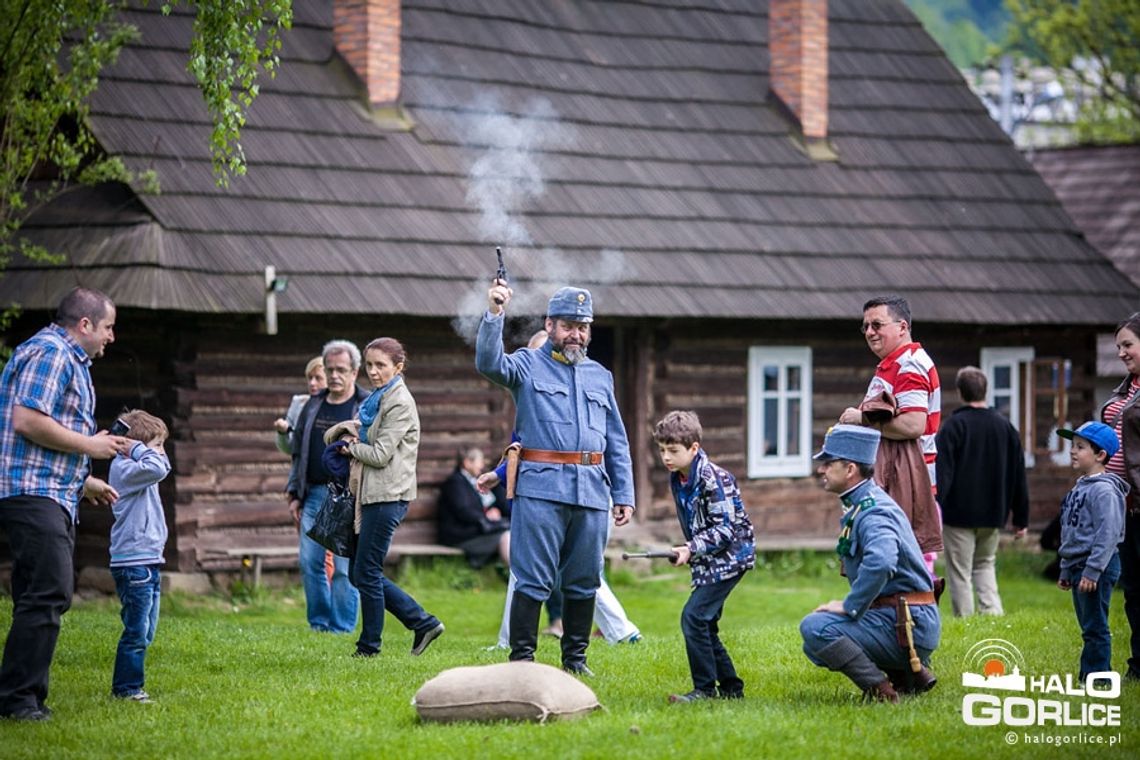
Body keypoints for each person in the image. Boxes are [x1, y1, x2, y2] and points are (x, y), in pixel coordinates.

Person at [476, 283, 635, 675]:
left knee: (584, 581)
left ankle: (576, 661)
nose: (576, 334)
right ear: (550, 325)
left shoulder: (600, 375)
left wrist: (624, 493)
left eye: (583, 326)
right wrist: (495, 313)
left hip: (592, 492)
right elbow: (489, 363)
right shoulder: (528, 365)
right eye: (568, 325)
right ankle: (522, 662)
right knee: (532, 580)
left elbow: (615, 438)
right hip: (541, 490)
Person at [0, 287, 132, 721]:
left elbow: (40, 441)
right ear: (85, 324)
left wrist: (83, 480)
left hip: (48, 490)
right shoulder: (52, 353)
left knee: (38, 595)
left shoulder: (59, 355)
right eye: (108, 327)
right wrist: (91, 447)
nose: (112, 337)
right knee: (49, 591)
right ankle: (18, 701)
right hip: (33, 495)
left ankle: (26, 697)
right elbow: (27, 422)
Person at [800, 425, 940, 703]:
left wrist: (850, 605)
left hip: (908, 623)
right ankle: (905, 677)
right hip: (902, 616)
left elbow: (882, 561)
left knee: (816, 629)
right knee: (814, 643)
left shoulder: (874, 511)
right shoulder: (864, 503)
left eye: (828, 464)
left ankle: (881, 691)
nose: (821, 470)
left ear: (850, 469)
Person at [330, 337, 444, 658]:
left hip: (388, 496)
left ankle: (370, 647)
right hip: (370, 494)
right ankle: (422, 623)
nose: (374, 371)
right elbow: (372, 434)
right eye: (369, 365)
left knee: (365, 571)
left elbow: (380, 454)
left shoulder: (399, 402)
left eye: (381, 365)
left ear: (398, 366)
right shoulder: (377, 399)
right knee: (359, 572)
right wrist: (350, 433)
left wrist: (349, 447)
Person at [653, 410, 755, 703]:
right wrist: (689, 549)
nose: (666, 457)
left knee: (694, 618)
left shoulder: (714, 479)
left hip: (732, 557)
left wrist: (691, 547)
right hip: (708, 557)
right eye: (662, 450)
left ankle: (705, 690)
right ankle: (732, 689)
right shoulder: (679, 477)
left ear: (694, 448)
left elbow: (725, 529)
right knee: (706, 624)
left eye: (673, 450)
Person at [838, 294, 942, 573]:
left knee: (895, 562)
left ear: (902, 327)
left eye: (877, 324)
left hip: (907, 479)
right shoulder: (895, 362)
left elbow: (913, 425)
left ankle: (911, 615)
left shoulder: (909, 364)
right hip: (896, 477)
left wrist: (861, 418)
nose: (870, 332)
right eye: (866, 327)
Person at [935, 366, 1029, 616]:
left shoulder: (952, 427)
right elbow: (1019, 475)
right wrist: (1021, 519)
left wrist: (935, 509)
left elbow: (942, 475)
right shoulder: (1005, 427)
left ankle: (966, 622)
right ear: (985, 390)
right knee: (985, 565)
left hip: (959, 515)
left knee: (960, 571)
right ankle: (992, 614)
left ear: (960, 392)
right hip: (993, 514)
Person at [286, 340, 365, 633]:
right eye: (329, 369)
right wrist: (295, 491)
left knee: (344, 568)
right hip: (315, 492)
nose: (334, 376)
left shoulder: (365, 404)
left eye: (341, 370)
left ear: (355, 372)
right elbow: (298, 451)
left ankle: (341, 627)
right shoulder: (312, 405)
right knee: (310, 562)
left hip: (351, 495)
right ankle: (318, 624)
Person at [1055, 421, 1127, 682]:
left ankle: (1099, 680)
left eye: (1081, 447)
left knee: (1096, 627)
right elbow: (1071, 531)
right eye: (1073, 446)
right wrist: (1065, 568)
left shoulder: (1105, 491)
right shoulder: (1079, 487)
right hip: (1078, 566)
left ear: (1100, 455)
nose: (1073, 451)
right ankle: (1089, 677)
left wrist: (1093, 571)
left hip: (1097, 566)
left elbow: (1108, 535)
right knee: (1088, 627)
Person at [108, 410, 172, 704]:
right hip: (134, 564)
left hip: (148, 561)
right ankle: (128, 688)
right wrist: (134, 447)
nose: (162, 453)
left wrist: (147, 449)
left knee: (146, 631)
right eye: (158, 445)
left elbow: (162, 466)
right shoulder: (125, 470)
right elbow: (159, 468)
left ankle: (128, 684)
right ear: (136, 447)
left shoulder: (142, 466)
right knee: (136, 631)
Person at [1100, 312, 1140, 680]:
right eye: (1119, 347)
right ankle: (1138, 664)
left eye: (1128, 345)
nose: (1122, 353)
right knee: (1133, 590)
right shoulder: (1123, 391)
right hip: (1122, 506)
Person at [437, 447, 510, 568]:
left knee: (508, 532)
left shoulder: (470, 481)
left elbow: (484, 504)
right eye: (479, 461)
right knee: (506, 536)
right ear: (467, 463)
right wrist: (485, 518)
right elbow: (464, 511)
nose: (482, 466)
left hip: (474, 532)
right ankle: (517, 577)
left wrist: (492, 510)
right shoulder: (455, 482)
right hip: (460, 536)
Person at [274, 356, 326, 454]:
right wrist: (282, 433)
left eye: (318, 378)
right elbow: (288, 448)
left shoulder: (341, 406)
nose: (312, 383)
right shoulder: (299, 403)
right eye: (310, 378)